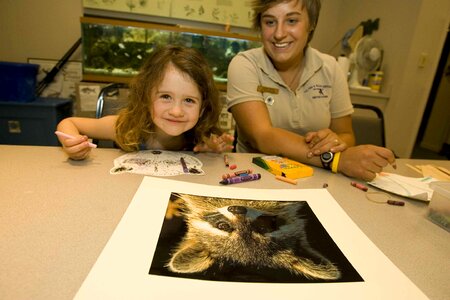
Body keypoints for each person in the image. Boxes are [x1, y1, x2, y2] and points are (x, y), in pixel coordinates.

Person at [226, 0, 395, 181]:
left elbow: (346, 135)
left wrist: (334, 142)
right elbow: (262, 136)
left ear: (311, 24)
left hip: (315, 178)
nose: (279, 33)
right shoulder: (244, 64)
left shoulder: (330, 67)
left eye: (291, 21)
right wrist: (335, 159)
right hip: (255, 175)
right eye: (270, 22)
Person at [57, 45, 234, 160]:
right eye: (165, 96)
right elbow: (69, 122)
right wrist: (73, 145)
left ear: (202, 108)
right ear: (146, 97)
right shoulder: (126, 127)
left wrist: (210, 153)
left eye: (189, 100)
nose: (177, 111)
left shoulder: (199, 136)